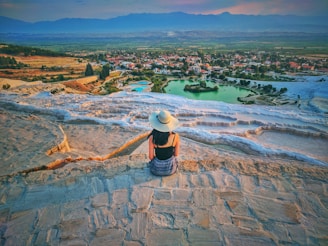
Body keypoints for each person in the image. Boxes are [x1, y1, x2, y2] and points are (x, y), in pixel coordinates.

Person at [148, 110, 180, 176]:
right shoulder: (175, 136)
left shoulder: (152, 138)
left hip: (156, 170)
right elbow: (176, 154)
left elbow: (151, 157)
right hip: (170, 170)